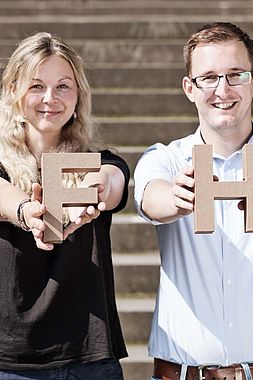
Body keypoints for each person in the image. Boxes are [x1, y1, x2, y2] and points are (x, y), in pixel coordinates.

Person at [134, 22, 253, 380]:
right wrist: (178, 198)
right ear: (189, 88)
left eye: (235, 74)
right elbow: (149, 196)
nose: (222, 89)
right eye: (208, 77)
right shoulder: (166, 158)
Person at [0, 32, 129, 379]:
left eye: (63, 87)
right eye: (36, 85)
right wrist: (27, 211)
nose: (50, 99)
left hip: (89, 359)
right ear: (13, 90)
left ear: (78, 95)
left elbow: (111, 181)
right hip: (10, 363)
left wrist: (95, 190)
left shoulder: (101, 160)